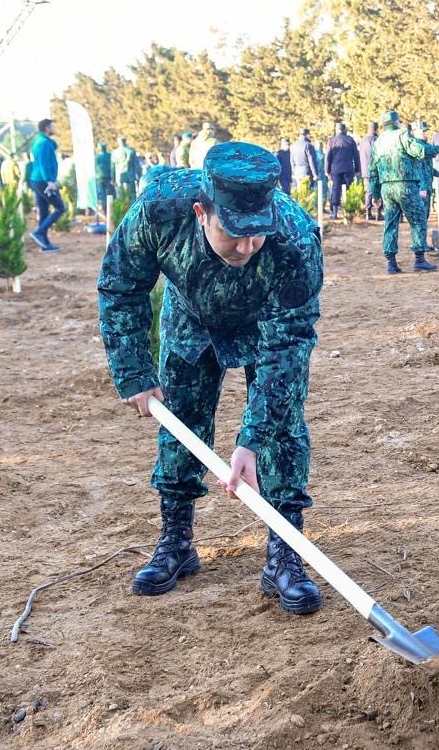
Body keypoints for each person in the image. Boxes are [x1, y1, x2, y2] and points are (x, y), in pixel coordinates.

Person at [98, 142, 324, 614]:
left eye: (256, 235)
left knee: (283, 431)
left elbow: (289, 346)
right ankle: (176, 541)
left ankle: (284, 554)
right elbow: (122, 286)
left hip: (268, 327)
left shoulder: (296, 238)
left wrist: (251, 441)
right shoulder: (159, 210)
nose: (246, 248)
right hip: (190, 321)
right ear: (202, 212)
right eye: (234, 234)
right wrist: (133, 370)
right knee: (181, 424)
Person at [368, 110, 439, 274]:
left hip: (386, 188)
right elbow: (418, 151)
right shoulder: (402, 135)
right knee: (418, 219)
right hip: (405, 184)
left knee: (391, 223)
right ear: (397, 122)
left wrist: (376, 194)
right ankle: (419, 259)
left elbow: (372, 171)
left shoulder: (378, 142)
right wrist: (436, 149)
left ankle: (391, 263)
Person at [28, 118, 66, 252]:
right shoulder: (43, 143)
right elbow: (43, 164)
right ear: (47, 128)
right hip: (43, 181)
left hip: (37, 180)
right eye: (53, 126)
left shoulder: (42, 141)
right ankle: (39, 232)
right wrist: (49, 181)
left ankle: (44, 244)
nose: (55, 128)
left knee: (44, 211)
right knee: (60, 207)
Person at [324, 122, 360, 220]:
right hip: (348, 169)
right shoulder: (350, 140)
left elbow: (327, 157)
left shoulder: (331, 141)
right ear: (345, 130)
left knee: (336, 190)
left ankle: (334, 213)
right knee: (349, 190)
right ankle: (349, 213)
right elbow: (356, 156)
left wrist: (327, 171)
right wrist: (357, 169)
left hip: (335, 170)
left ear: (337, 130)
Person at [357, 121, 380, 220]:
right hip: (375, 170)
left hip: (365, 170)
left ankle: (368, 212)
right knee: (378, 191)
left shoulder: (363, 140)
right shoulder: (376, 140)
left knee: (368, 192)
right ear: (376, 129)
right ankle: (378, 212)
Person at [94, 141, 115, 219]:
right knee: (111, 193)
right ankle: (110, 210)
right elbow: (112, 167)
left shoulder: (97, 157)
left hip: (99, 177)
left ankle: (105, 210)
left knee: (102, 194)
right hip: (108, 177)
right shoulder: (109, 155)